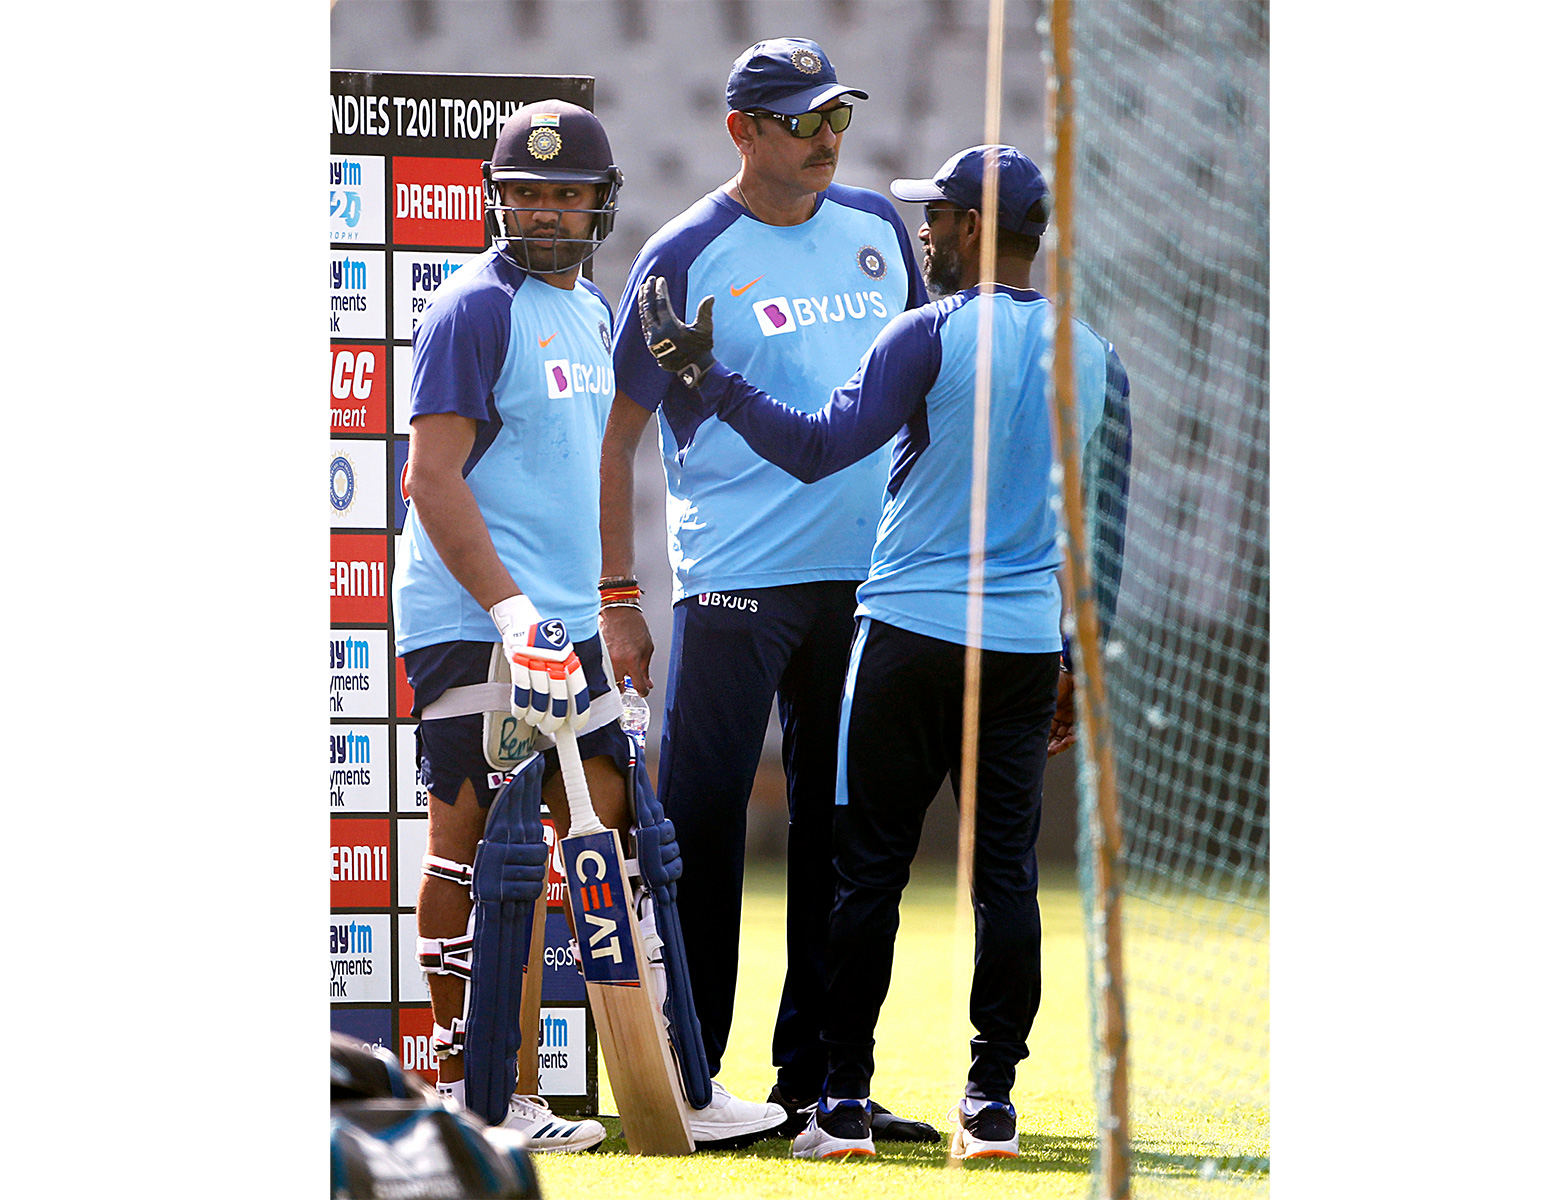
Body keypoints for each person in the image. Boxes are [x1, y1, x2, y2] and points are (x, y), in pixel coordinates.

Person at [637, 144, 1133, 1160]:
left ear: (971, 228)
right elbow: (1106, 532)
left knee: (865, 874)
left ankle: (842, 1102)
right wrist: (1081, 662)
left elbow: (818, 449)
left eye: (937, 216)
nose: (923, 233)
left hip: (905, 634)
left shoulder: (925, 333)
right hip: (1024, 649)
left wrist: (707, 377)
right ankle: (990, 1102)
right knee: (1006, 880)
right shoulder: (1098, 356)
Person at [393, 99, 777, 1154]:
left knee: (619, 843)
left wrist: (602, 604)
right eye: (526, 194)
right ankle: (484, 1097)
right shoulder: (473, 309)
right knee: (476, 848)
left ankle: (675, 1087)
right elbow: (431, 479)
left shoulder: (591, 306)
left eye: (566, 194)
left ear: (601, 204)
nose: (545, 212)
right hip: (474, 621)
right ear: (496, 198)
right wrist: (510, 611)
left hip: (562, 626)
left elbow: (590, 464)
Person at [602, 36, 937, 1142]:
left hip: (870, 581)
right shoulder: (683, 252)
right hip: (734, 583)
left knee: (840, 837)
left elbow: (924, 392)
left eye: (836, 116)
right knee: (701, 833)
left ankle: (822, 1088)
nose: (825, 139)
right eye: (801, 121)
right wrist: (617, 596)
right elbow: (617, 435)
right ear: (741, 130)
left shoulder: (878, 228)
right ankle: (694, 1087)